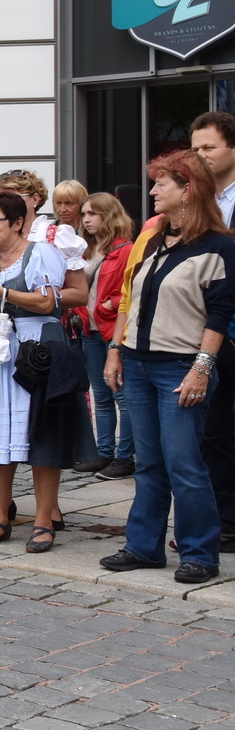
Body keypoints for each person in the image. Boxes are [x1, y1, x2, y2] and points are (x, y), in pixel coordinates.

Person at [101, 152, 235, 583]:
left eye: (162, 184)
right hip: (138, 365)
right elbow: (130, 299)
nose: (153, 191)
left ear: (188, 189)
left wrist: (201, 368)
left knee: (185, 463)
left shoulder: (220, 245)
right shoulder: (155, 239)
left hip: (179, 367)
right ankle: (143, 546)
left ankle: (200, 552)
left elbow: (220, 314)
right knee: (149, 463)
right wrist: (115, 349)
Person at [0, 190, 77, 554]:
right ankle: (0, 518)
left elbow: (48, 301)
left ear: (17, 222)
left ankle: (44, 522)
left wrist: (3, 294)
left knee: (41, 436)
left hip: (36, 349)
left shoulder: (39, 252)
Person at [190, 111, 235, 540]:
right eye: (196, 149)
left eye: (209, 147)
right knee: (214, 433)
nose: (201, 156)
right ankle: (223, 522)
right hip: (204, 329)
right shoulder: (195, 204)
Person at [81, 193, 136, 477]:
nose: (86, 219)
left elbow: (133, 291)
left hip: (113, 329)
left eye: (92, 213)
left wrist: (110, 303)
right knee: (100, 394)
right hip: (89, 330)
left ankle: (125, 457)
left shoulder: (125, 249)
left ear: (108, 215)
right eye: (84, 214)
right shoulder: (86, 250)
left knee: (121, 395)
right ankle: (103, 454)